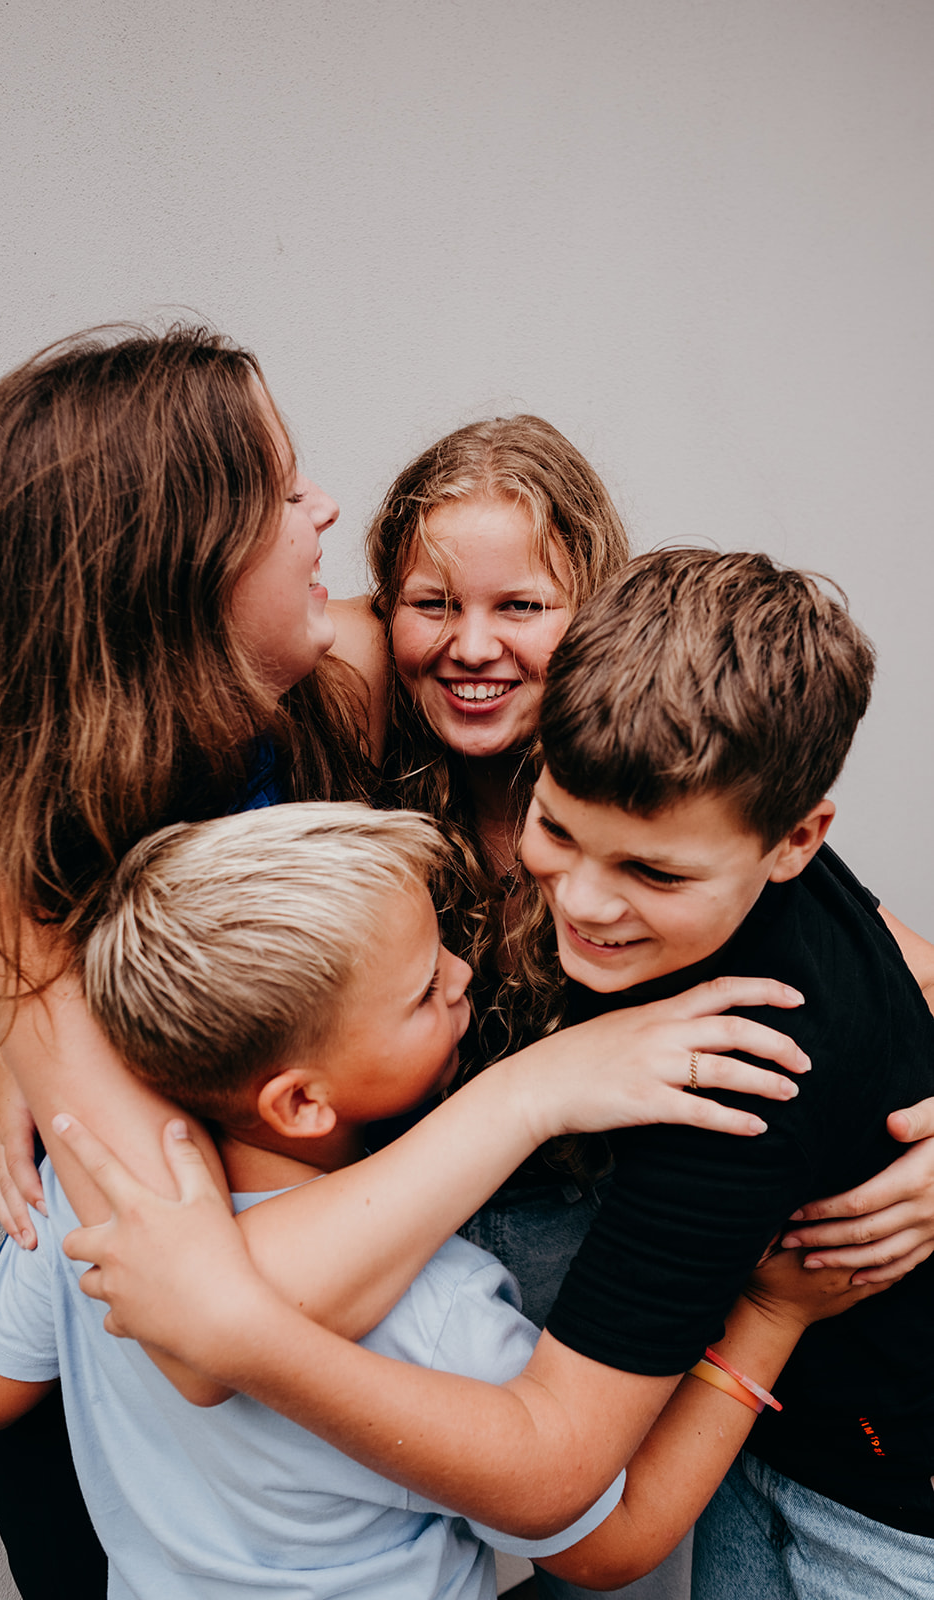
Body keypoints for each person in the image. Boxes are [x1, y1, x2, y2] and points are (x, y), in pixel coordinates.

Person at [0, 332, 814, 1598]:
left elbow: (697, 768)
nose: (327, 508)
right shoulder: (44, 917)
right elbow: (205, 1334)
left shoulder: (352, 668)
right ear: (182, 575)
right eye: (283, 493)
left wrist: (898, 1050)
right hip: (136, 1467)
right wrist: (537, 1088)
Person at [55, 550, 934, 1598]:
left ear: (796, 840)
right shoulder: (706, 789)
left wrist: (245, 1339)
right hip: (775, 1443)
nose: (586, 905)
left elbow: (553, 1481)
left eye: (652, 873)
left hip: (874, 1512)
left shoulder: (739, 1079)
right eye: (556, 828)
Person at [0, 802, 882, 1599]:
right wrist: (768, 1317)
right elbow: (607, 1543)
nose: (463, 974)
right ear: (300, 1100)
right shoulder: (439, 1311)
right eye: (422, 992)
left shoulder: (90, 1204)